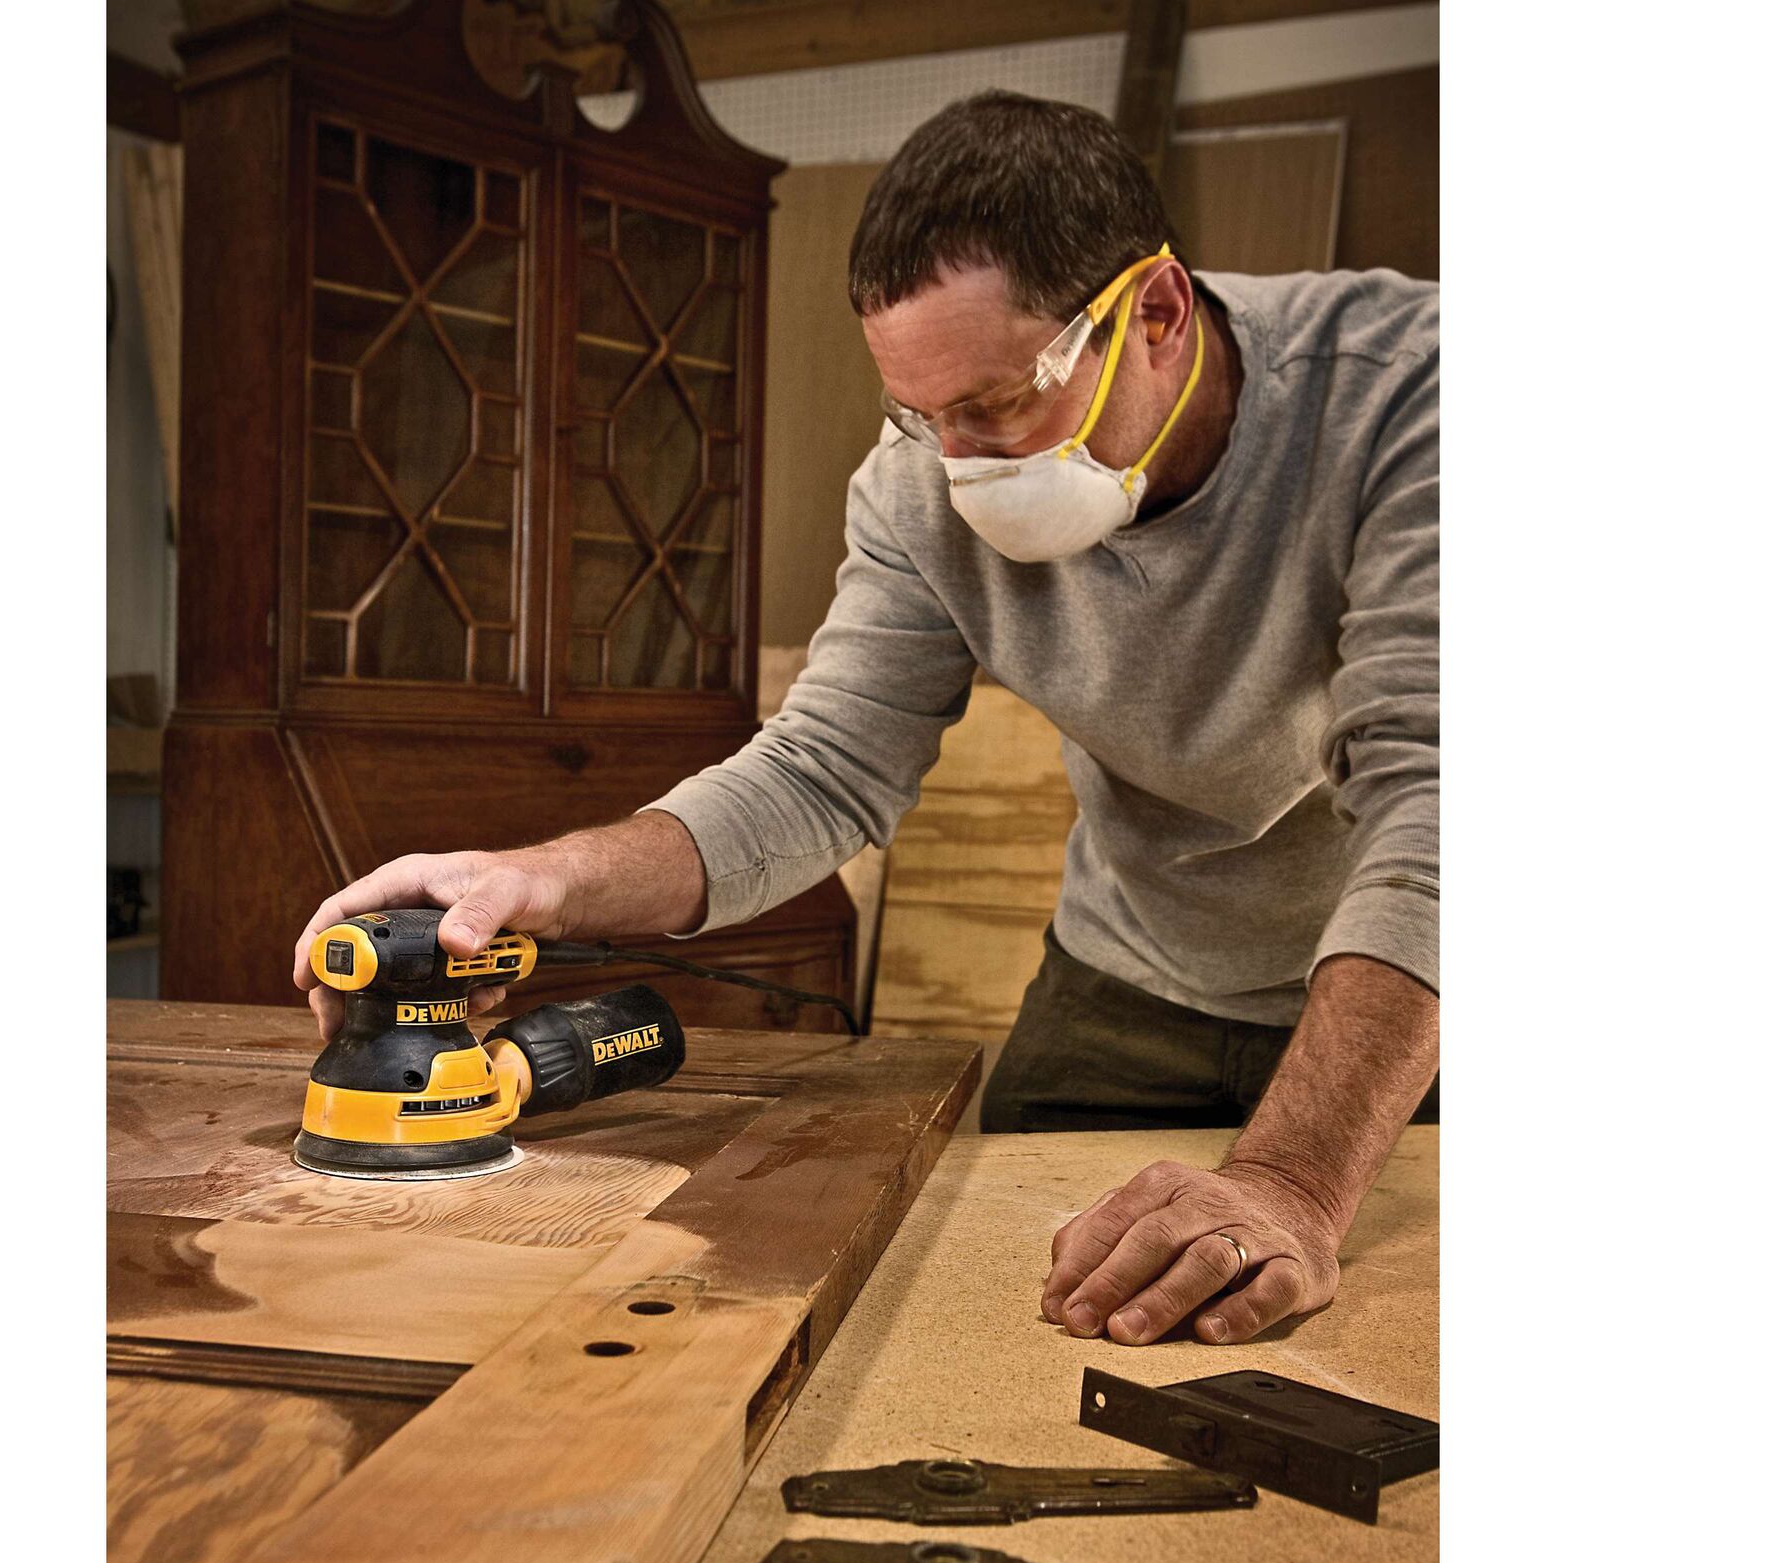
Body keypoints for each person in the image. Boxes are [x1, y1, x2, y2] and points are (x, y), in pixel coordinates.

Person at [291, 89, 1438, 1351]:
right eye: (919, 413)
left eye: (995, 404)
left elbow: (1436, 814)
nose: (958, 462)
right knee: (1016, 1335)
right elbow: (821, 772)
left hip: (1403, 1004)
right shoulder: (915, 485)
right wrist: (539, 879)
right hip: (1130, 975)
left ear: (1152, 315)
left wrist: (1287, 1180)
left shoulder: (1404, 400)